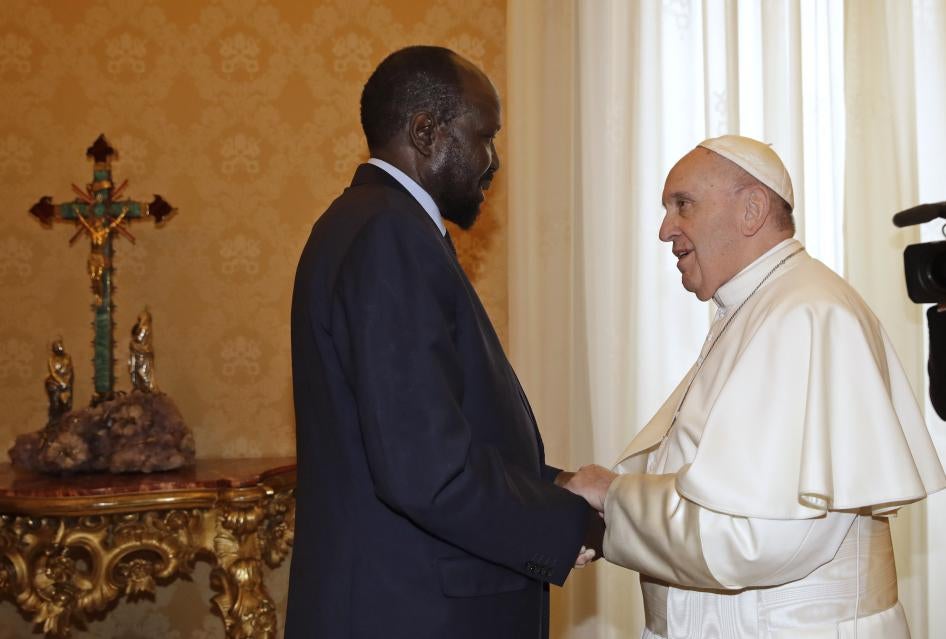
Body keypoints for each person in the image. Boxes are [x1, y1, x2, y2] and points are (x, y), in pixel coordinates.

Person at [566, 135, 946, 638]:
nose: (665, 230)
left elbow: (753, 538)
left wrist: (613, 497)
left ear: (751, 210)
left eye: (683, 205)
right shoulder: (762, 307)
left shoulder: (805, 314)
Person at [286, 46, 599, 639]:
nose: (493, 161)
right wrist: (568, 524)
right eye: (484, 136)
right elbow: (425, 470)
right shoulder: (388, 236)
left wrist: (551, 484)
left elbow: (429, 431)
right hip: (411, 614)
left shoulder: (376, 224)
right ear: (426, 132)